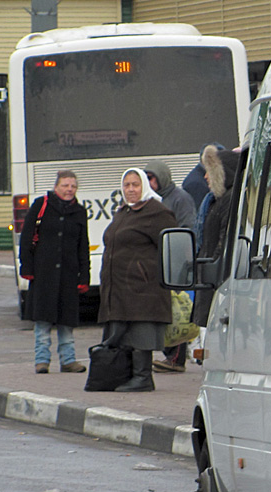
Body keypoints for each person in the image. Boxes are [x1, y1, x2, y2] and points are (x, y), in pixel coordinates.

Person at [98, 168, 178, 392]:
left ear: (145, 185)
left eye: (135, 184)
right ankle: (127, 375)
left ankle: (143, 378)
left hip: (144, 286)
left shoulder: (157, 212)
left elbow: (171, 247)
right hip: (120, 285)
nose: (131, 189)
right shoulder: (124, 211)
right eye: (127, 185)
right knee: (123, 330)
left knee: (141, 330)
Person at [19, 170, 90, 374]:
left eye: (73, 186)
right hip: (43, 275)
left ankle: (68, 360)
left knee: (66, 321)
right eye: (65, 185)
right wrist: (27, 267)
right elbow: (27, 238)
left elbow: (82, 246)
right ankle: (42, 360)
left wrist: (84, 276)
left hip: (68, 275)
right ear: (56, 186)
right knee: (42, 321)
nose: (69, 190)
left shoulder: (79, 212)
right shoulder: (41, 206)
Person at [145, 162, 195, 374]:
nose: (149, 182)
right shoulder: (152, 200)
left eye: (152, 178)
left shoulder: (179, 198)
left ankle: (176, 358)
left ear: (161, 178)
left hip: (176, 262)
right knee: (165, 310)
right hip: (159, 261)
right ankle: (169, 354)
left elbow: (187, 228)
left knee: (178, 311)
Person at [192, 145, 241, 328]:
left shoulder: (229, 201)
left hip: (216, 286)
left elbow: (223, 244)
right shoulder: (216, 201)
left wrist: (212, 270)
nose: (205, 177)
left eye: (210, 172)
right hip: (210, 284)